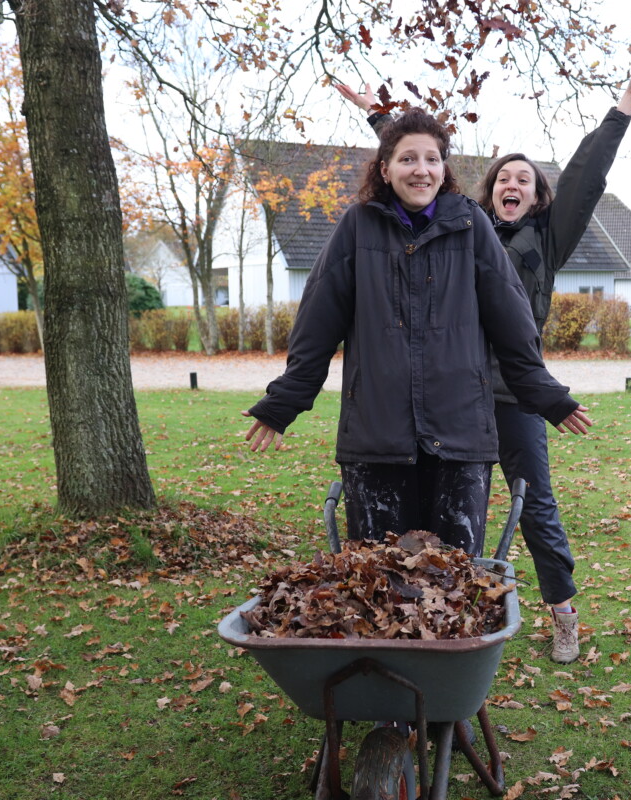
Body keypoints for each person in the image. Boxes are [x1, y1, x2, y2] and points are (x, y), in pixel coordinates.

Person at [335, 51, 631, 663]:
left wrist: (624, 105)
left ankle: (562, 612)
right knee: (428, 511)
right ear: (486, 192)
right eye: (502, 179)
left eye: (524, 179)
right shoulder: (460, 227)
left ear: (538, 195)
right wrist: (380, 118)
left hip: (511, 394)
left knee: (533, 503)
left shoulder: (548, 237)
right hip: (445, 395)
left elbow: (585, 176)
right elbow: (418, 167)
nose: (512, 184)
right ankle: (430, 621)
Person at [242, 108, 593, 562]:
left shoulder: (472, 226)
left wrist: (547, 396)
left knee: (453, 581)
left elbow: (513, 324)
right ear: (385, 169)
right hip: (376, 436)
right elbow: (316, 324)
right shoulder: (357, 227)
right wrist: (284, 401)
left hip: (460, 435)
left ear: (444, 169)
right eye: (408, 159)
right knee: (378, 579)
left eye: (432, 159)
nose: (421, 169)